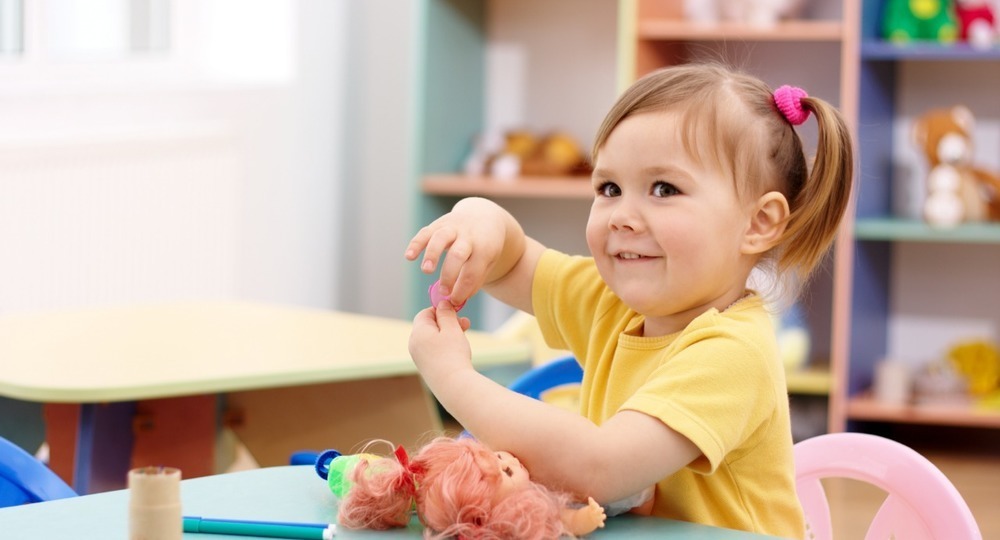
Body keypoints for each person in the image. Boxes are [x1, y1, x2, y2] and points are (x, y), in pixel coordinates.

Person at [404, 62, 853, 537]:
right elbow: (514, 264)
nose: (622, 215)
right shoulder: (612, 302)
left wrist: (451, 377)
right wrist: (479, 218)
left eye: (664, 188)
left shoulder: (732, 353)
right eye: (609, 188)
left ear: (758, 223)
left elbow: (600, 466)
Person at [336, 436, 607, 540]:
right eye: (508, 471)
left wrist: (584, 517)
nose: (513, 459)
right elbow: (562, 520)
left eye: (499, 457)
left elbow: (562, 515)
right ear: (482, 514)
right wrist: (586, 519)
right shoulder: (517, 515)